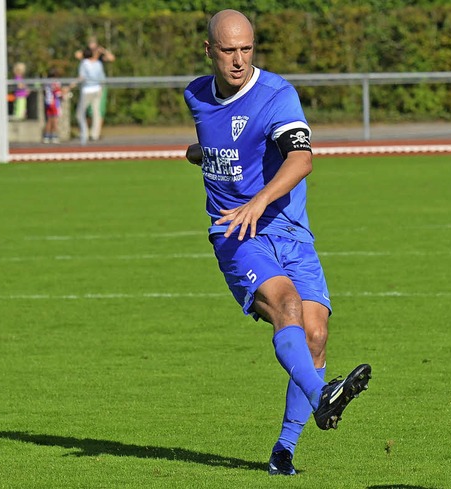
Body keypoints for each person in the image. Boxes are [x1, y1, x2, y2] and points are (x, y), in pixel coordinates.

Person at [183, 9, 371, 476]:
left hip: (290, 229)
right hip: (235, 230)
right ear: (209, 51)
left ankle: (284, 449)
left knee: (316, 335)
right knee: (286, 306)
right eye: (228, 50)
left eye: (247, 49)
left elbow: (301, 160)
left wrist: (260, 198)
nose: (239, 60)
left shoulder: (277, 96)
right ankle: (322, 395)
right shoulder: (196, 94)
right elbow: (224, 136)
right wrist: (202, 155)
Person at [75, 36, 115, 132]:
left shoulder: (99, 61)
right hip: (87, 87)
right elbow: (77, 55)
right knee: (88, 112)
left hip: (98, 86)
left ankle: (95, 133)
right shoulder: (86, 61)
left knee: (98, 111)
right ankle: (86, 131)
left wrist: (103, 51)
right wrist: (87, 52)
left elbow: (112, 58)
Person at [70, 47, 105, 145]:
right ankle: (95, 134)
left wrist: (71, 85)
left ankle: (85, 133)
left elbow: (81, 77)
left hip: (87, 91)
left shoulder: (84, 63)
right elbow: (101, 77)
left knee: (80, 114)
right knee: (96, 112)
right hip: (97, 89)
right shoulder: (98, 63)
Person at [42, 68, 64, 144]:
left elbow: (45, 92)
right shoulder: (55, 82)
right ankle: (54, 136)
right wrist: (62, 96)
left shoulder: (46, 82)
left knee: (49, 120)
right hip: (54, 102)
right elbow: (58, 92)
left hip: (48, 102)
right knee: (54, 121)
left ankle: (47, 136)